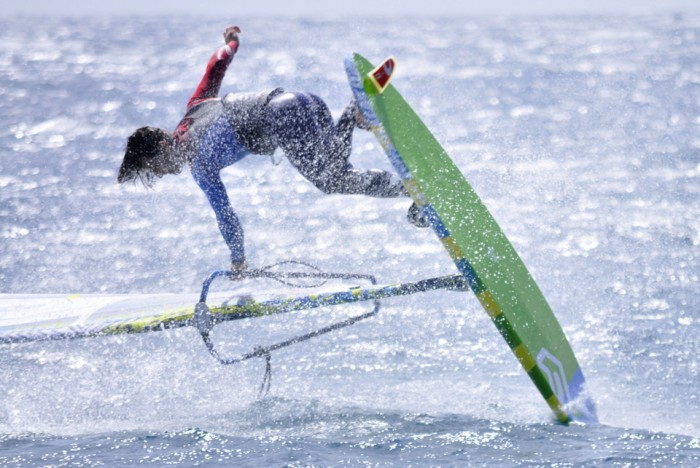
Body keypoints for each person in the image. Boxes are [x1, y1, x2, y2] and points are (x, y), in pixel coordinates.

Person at [118, 25, 427, 277]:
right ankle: (352, 111)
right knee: (335, 168)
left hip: (282, 118)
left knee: (331, 180)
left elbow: (225, 214)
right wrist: (232, 42)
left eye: (153, 166)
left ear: (160, 146)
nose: (158, 173)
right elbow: (216, 66)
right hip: (302, 100)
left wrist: (238, 261)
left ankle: (411, 186)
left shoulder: (200, 165)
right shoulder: (196, 106)